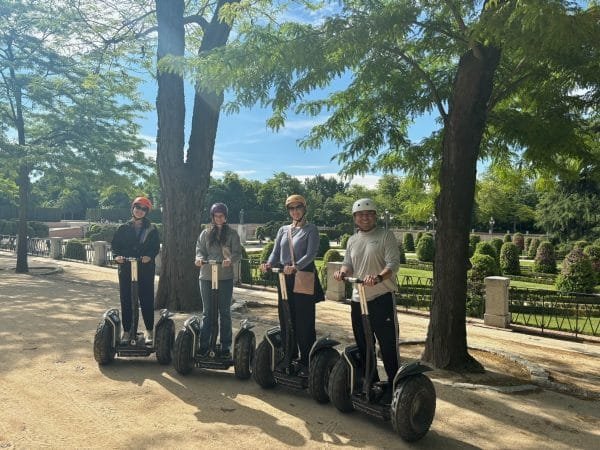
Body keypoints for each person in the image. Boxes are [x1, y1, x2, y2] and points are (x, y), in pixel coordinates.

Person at [333, 198, 401, 393]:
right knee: (364, 344)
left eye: (369, 213)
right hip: (358, 299)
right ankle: (371, 382)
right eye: (361, 215)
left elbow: (393, 264)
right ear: (355, 218)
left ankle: (395, 385)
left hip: (381, 297)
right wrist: (343, 272)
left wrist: (379, 277)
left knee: (387, 345)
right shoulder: (352, 240)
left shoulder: (385, 236)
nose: (365, 217)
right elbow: (349, 263)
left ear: (375, 216)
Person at [260, 194, 324, 374]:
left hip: (302, 276)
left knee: (303, 319)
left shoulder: (311, 229)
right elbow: (275, 252)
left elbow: (311, 254)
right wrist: (269, 264)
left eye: (298, 208)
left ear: (304, 209)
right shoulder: (283, 230)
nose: (295, 211)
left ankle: (306, 361)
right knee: (286, 317)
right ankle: (289, 355)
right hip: (284, 277)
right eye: (291, 208)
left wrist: (296, 267)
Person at [195, 203, 242, 359]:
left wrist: (230, 260)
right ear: (212, 217)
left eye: (221, 215)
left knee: (224, 312)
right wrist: (200, 258)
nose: (219, 218)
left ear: (225, 217)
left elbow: (237, 253)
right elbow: (200, 250)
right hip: (207, 276)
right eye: (216, 215)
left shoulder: (232, 234)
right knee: (207, 313)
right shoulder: (205, 233)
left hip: (225, 277)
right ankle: (204, 344)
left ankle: (225, 345)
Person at [112, 196, 160, 343]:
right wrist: (116, 257)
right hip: (126, 267)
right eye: (137, 207)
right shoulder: (123, 228)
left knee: (146, 299)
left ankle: (149, 331)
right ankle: (127, 332)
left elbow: (155, 247)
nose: (140, 211)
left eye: (143, 209)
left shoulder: (151, 229)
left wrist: (149, 256)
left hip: (145, 268)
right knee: (126, 299)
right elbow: (115, 246)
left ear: (147, 212)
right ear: (133, 208)